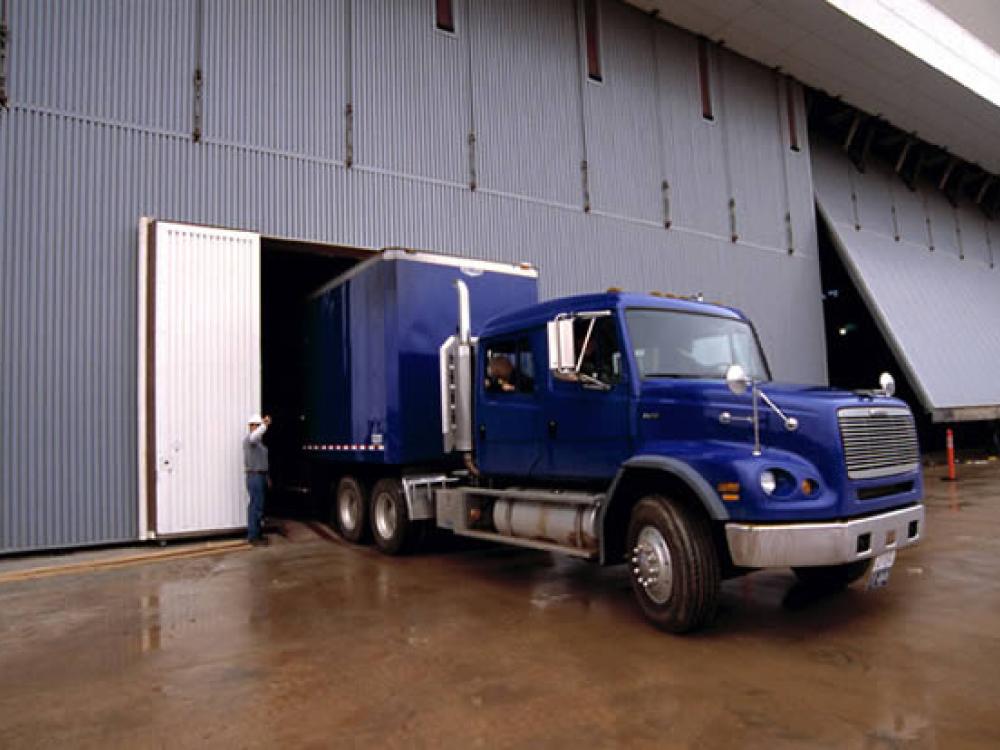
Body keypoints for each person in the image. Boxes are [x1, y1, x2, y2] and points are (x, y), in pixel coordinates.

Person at [243, 413, 271, 545]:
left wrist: (267, 477)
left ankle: (257, 534)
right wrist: (265, 424)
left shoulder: (258, 442)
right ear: (253, 426)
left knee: (257, 506)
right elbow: (254, 436)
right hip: (254, 476)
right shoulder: (250, 439)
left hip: (260, 476)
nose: (258, 428)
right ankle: (254, 537)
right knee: (256, 506)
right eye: (257, 425)